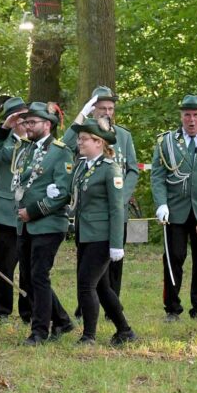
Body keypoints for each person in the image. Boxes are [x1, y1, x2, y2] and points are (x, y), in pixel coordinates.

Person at [0, 101, 74, 346]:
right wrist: (4, 127)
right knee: (29, 278)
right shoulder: (24, 149)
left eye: (32, 122)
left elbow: (62, 193)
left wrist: (32, 211)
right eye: (26, 122)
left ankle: (39, 331)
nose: (27, 126)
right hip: (25, 225)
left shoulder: (60, 152)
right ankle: (62, 320)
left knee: (38, 276)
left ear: (47, 124)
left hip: (48, 224)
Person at [64, 86, 138, 303]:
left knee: (114, 263)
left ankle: (112, 306)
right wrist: (82, 115)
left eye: (111, 108)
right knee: (86, 263)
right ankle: (85, 305)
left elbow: (132, 169)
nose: (107, 112)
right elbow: (64, 145)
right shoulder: (84, 135)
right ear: (93, 109)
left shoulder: (123, 135)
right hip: (90, 212)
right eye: (102, 108)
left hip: (115, 209)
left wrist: (122, 197)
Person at [151, 95, 197, 323]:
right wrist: (161, 203)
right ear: (181, 116)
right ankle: (172, 308)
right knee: (174, 258)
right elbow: (157, 176)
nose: (191, 120)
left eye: (196, 115)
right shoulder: (167, 141)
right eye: (187, 115)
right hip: (175, 210)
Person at [69, 118, 137, 346]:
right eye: (79, 139)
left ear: (98, 142)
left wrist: (116, 244)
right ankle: (125, 331)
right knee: (101, 286)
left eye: (84, 139)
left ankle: (88, 336)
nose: (80, 142)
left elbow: (117, 209)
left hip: (102, 236)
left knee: (86, 284)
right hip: (85, 234)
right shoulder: (83, 166)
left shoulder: (110, 169)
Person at [0, 96, 32, 323]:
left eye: (27, 118)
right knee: (4, 265)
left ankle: (28, 311)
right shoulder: (1, 141)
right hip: (5, 214)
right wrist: (4, 128)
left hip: (30, 213)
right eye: (20, 119)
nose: (25, 123)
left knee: (29, 266)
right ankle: (1, 311)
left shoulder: (36, 143)